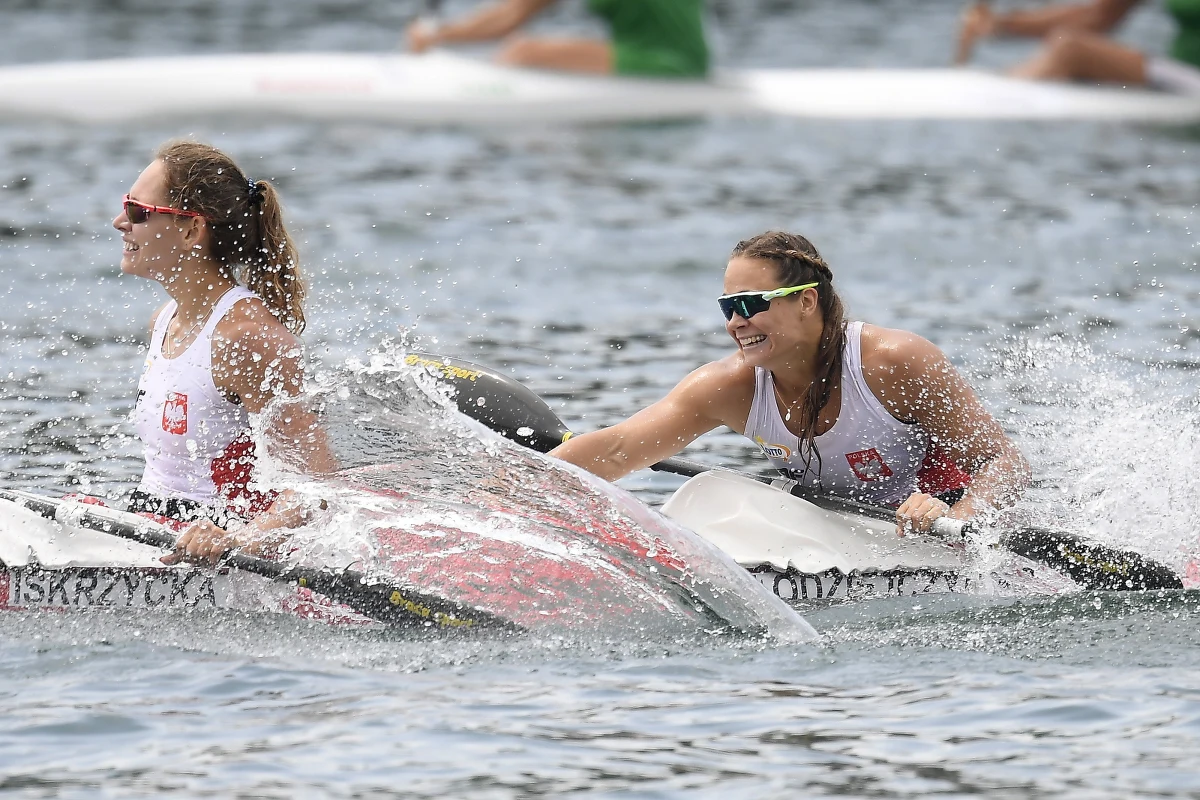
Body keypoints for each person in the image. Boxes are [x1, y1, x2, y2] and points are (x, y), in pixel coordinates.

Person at [551, 231, 1032, 533]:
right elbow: (615, 451)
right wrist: (507, 491)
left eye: (750, 303)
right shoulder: (727, 388)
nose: (736, 322)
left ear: (805, 301)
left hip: (936, 520)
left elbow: (1004, 462)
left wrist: (962, 515)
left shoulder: (893, 362)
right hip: (833, 525)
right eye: (727, 307)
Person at [113, 140, 333, 564]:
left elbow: (316, 488)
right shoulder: (164, 319)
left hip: (213, 546)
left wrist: (237, 542)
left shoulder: (247, 339)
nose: (120, 221)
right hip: (153, 524)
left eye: (138, 211)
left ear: (192, 230)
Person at [406, 0, 709, 78]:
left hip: (669, 60)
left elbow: (511, 17)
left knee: (523, 50)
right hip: (685, 55)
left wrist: (437, 36)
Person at [956, 0, 1200, 95]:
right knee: (1068, 45)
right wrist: (1002, 25)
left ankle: (1002, 97)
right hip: (1180, 74)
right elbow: (1097, 17)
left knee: (1072, 50)